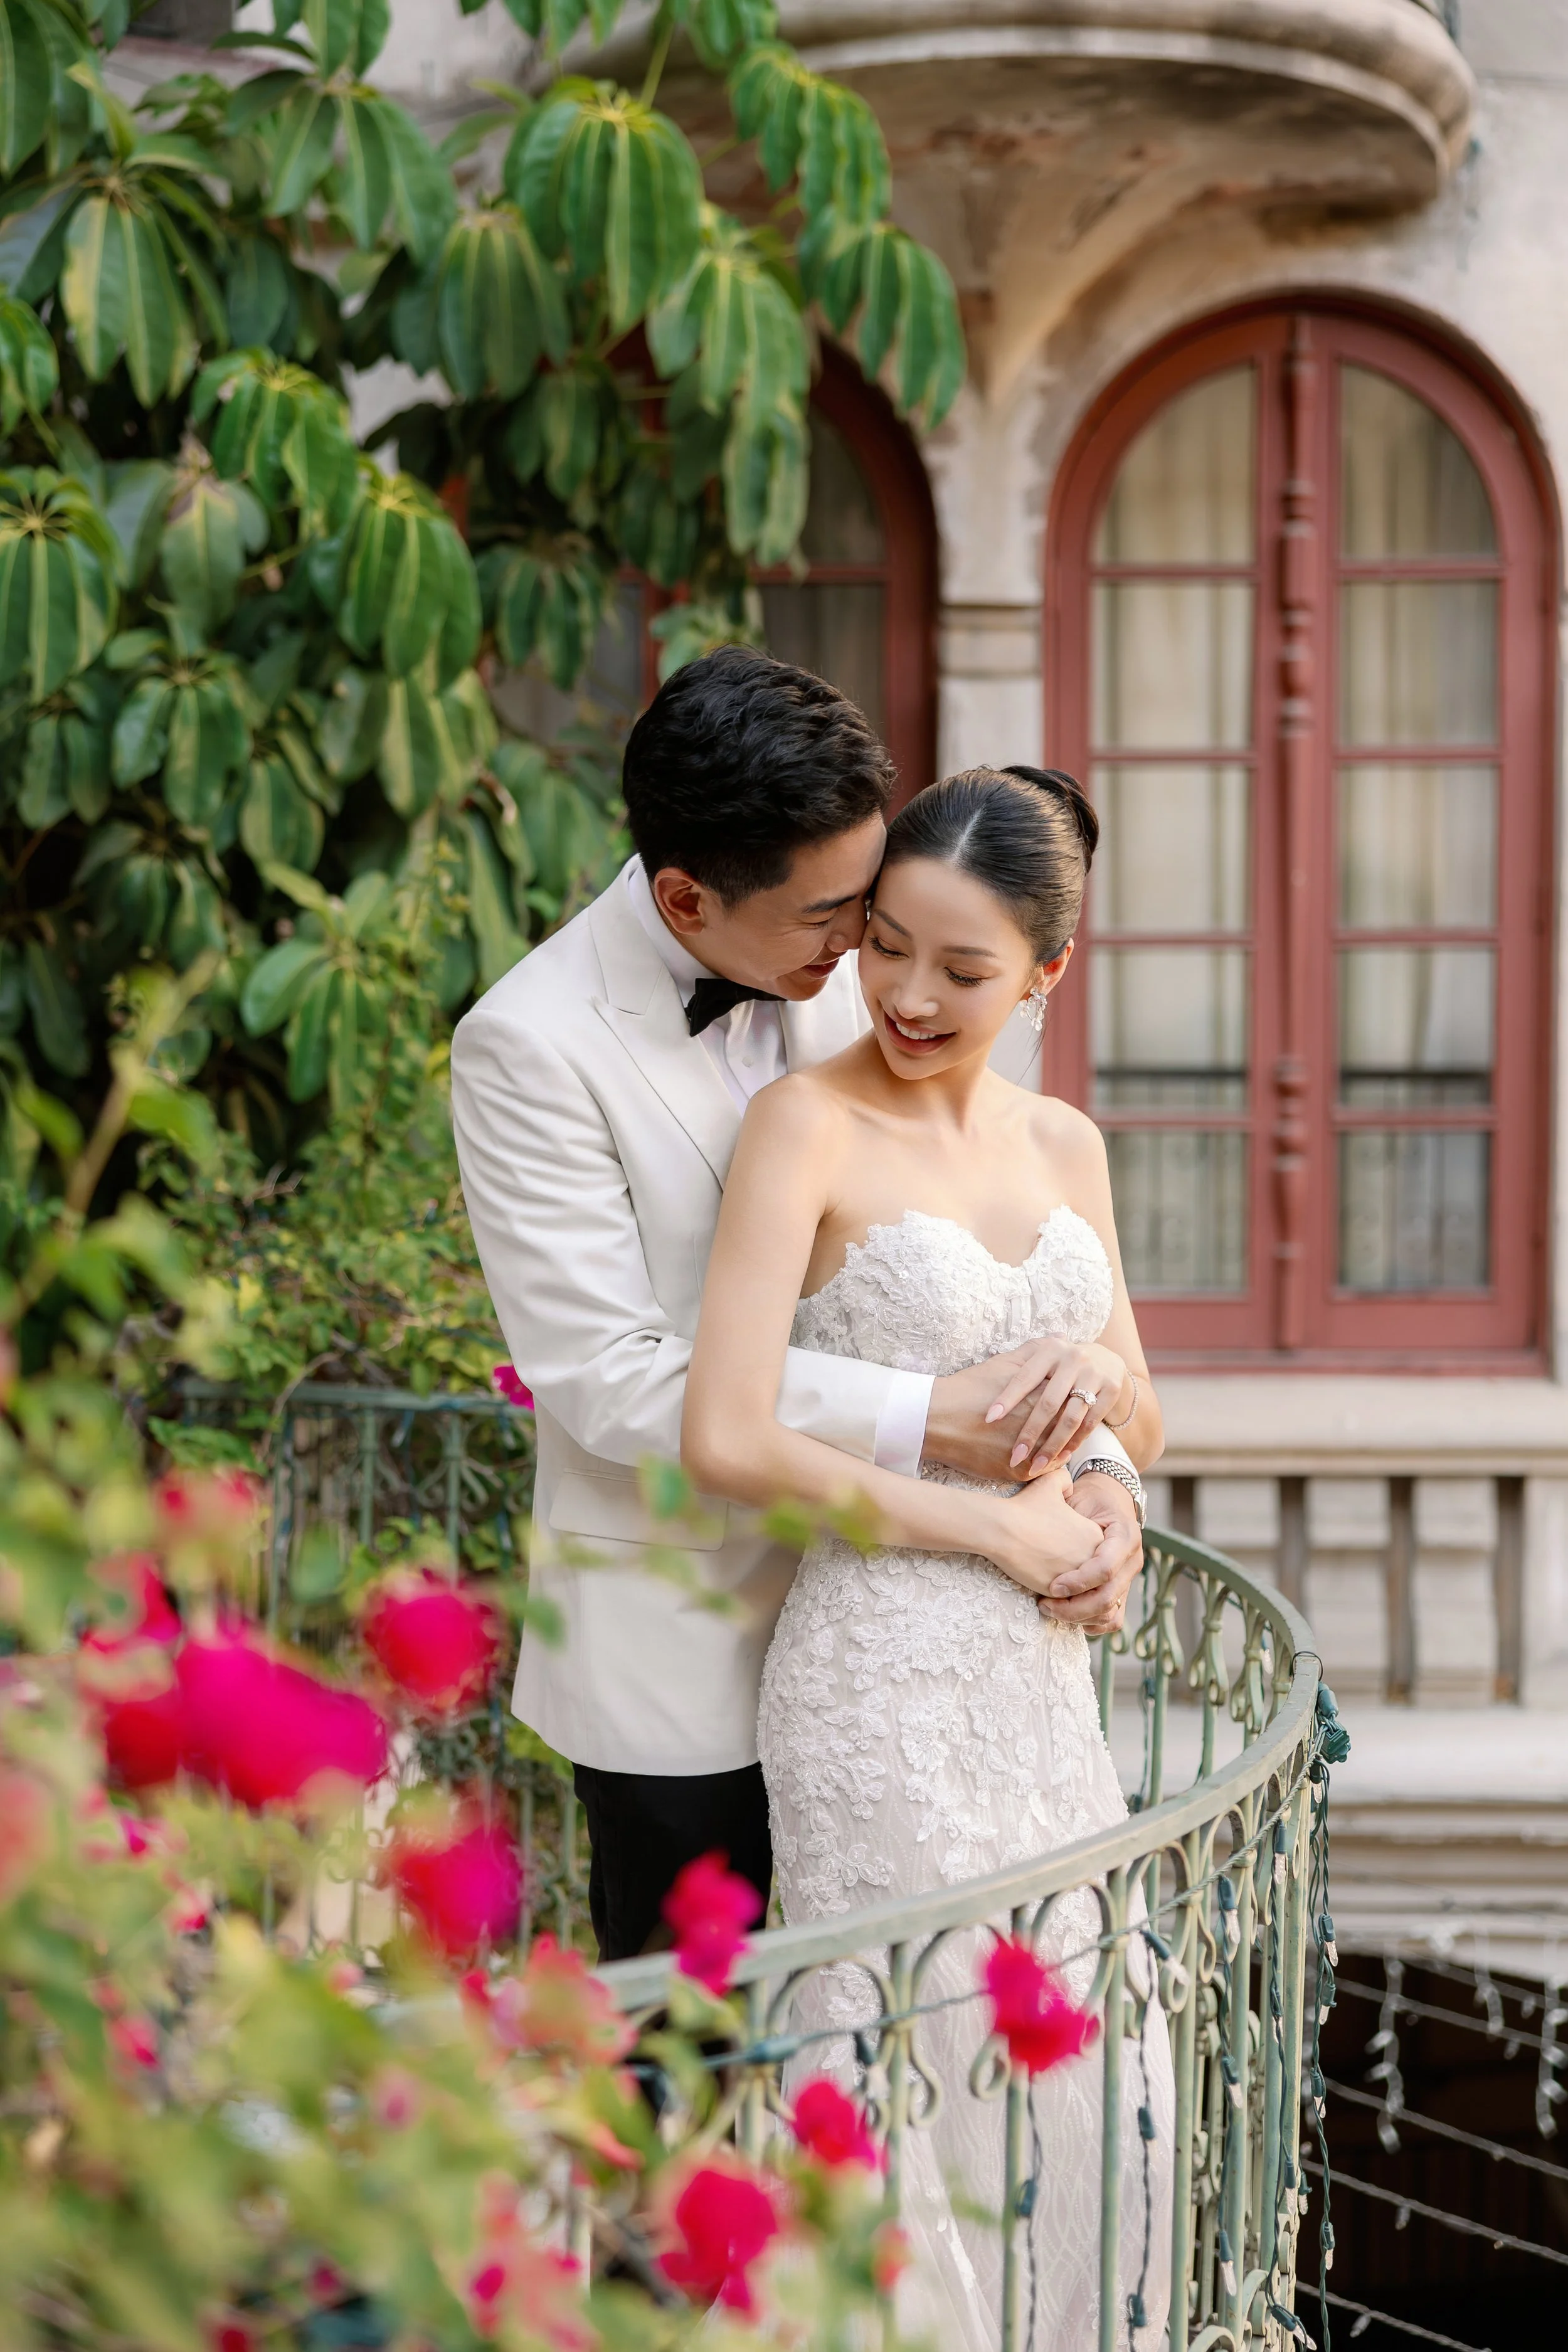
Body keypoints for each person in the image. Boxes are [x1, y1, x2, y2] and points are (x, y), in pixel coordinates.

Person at [451, 650, 1145, 1967]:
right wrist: (933, 1423)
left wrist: (1099, 1471)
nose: (868, 962)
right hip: (690, 1639)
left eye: (874, 910)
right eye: (839, 923)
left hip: (931, 1644)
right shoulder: (527, 1046)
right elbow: (608, 1375)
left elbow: (1017, 1258)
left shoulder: (895, 969)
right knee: (704, 2069)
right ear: (684, 898)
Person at [681, 765, 1173, 2349]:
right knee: (906, 2060)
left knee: (1072, 2067)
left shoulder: (1067, 1144)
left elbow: (1137, 1406)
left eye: (959, 970)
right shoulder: (800, 1123)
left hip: (1040, 1697)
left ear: (1043, 975)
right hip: (874, 1680)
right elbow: (730, 1436)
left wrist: (1103, 1486)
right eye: (885, 946)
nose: (902, 993)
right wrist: (997, 1527)